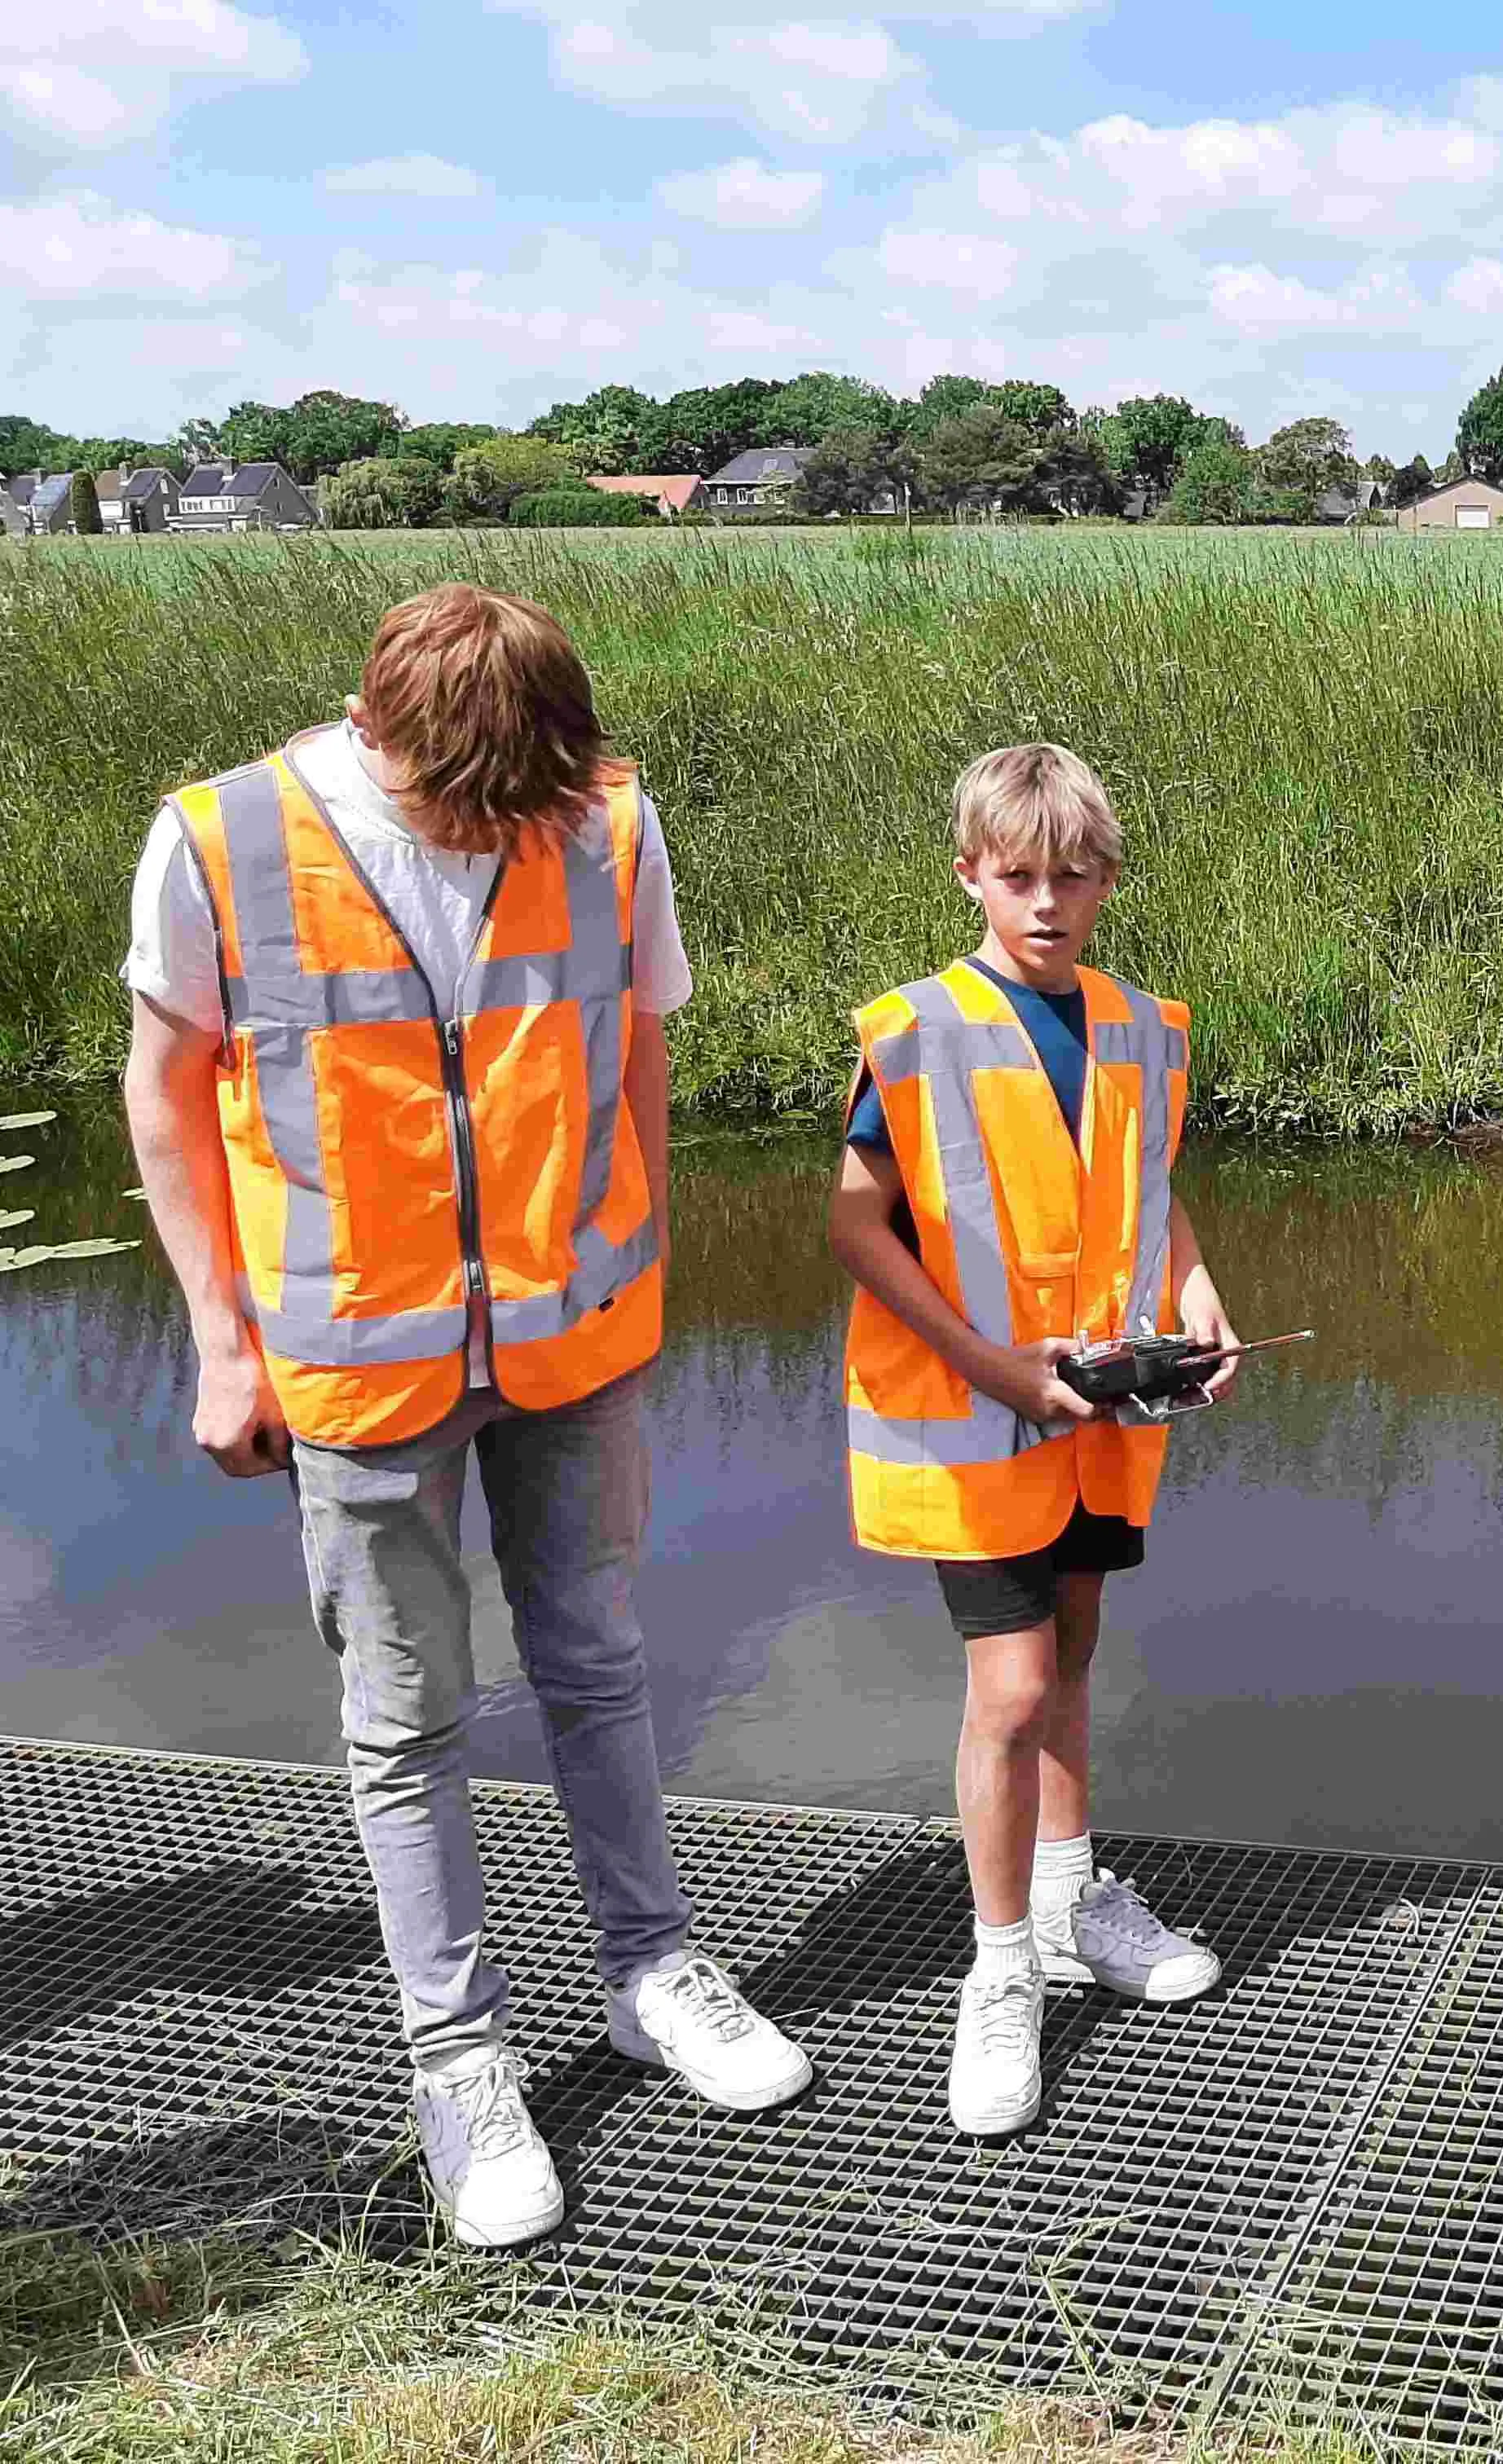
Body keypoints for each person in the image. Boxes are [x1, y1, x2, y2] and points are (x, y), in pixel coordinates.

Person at [121, 583, 811, 2251]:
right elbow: (164, 1089)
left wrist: (638, 1259)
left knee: (599, 1660)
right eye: (466, 807)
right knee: (405, 1718)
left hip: (573, 1336)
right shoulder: (220, 843)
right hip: (359, 1360)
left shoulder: (609, 820)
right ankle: (460, 2059)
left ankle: (652, 1969)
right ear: (376, 733)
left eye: (533, 804)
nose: (505, 833)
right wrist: (221, 1341)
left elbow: (634, 1049)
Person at [826, 744, 1236, 2138]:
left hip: (1103, 1415)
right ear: (970, 876)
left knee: (1070, 1657)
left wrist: (1197, 1294)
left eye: (1073, 875)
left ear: (1109, 878)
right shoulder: (917, 1029)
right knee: (1006, 1694)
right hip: (975, 1417)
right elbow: (855, 1226)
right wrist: (992, 1366)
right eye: (1018, 877)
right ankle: (1001, 1970)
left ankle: (1070, 1903)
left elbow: (1154, 1190)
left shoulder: (1141, 1026)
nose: (1047, 902)